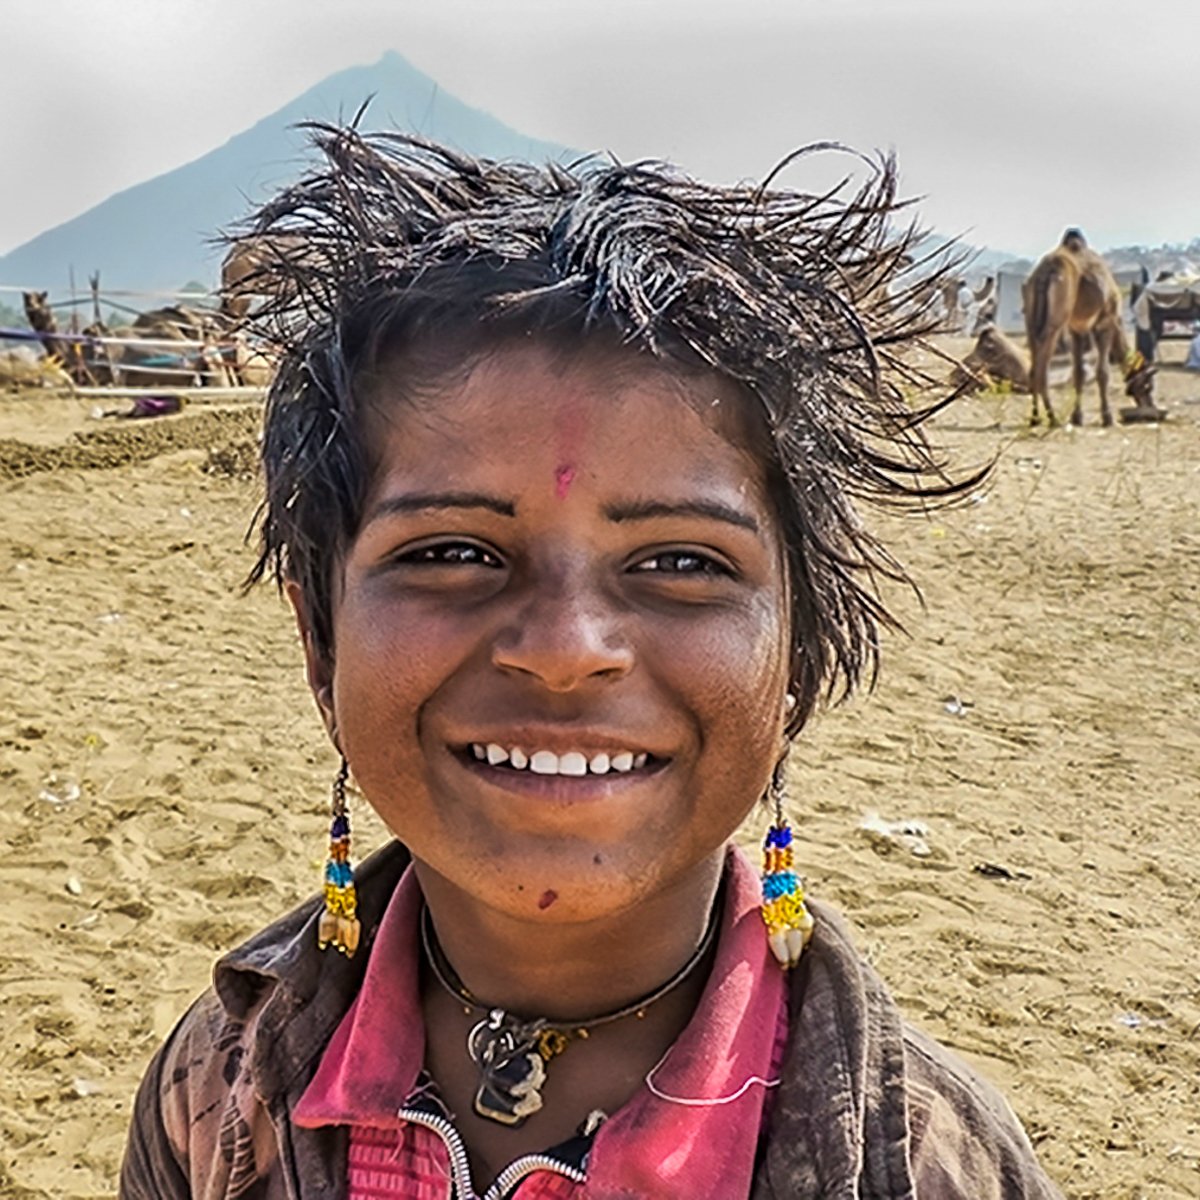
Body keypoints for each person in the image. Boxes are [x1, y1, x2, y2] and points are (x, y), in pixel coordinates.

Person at [119, 126, 1064, 1199]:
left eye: (678, 561)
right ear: (318, 642)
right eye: (452, 553)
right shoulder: (218, 1090)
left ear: (797, 655)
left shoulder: (927, 1164)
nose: (567, 651)